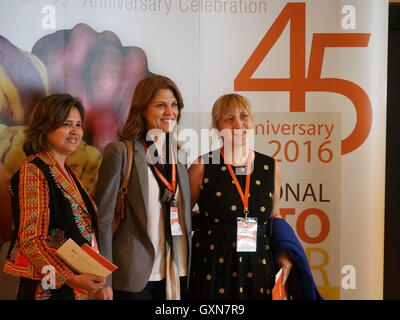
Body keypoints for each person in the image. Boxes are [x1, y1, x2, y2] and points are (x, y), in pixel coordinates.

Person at [188, 93, 322, 300]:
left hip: (259, 265)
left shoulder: (270, 166)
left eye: (244, 116)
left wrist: (284, 254)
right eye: (229, 118)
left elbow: (274, 217)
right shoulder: (202, 165)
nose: (238, 124)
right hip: (212, 265)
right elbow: (183, 216)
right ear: (217, 127)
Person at [94, 75, 192, 300]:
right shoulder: (120, 152)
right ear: (142, 110)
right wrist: (104, 279)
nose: (170, 112)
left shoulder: (181, 157)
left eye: (174, 105)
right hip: (134, 277)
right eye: (160, 105)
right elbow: (104, 221)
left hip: (176, 272)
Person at [3, 94, 105, 300]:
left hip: (73, 287)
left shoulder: (65, 170)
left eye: (78, 124)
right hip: (46, 289)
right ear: (46, 127)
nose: (75, 131)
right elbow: (31, 241)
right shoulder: (32, 171)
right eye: (67, 124)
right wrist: (72, 278)